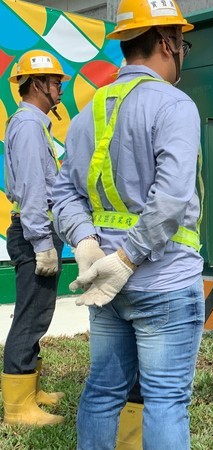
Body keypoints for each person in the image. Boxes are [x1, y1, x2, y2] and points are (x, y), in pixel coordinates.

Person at [51, 0, 203, 448]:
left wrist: (86, 245)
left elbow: (64, 192)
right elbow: (172, 197)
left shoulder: (87, 114)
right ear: (166, 42)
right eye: (182, 43)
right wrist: (127, 258)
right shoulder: (175, 106)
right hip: (165, 281)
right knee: (165, 400)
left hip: (106, 285)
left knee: (101, 392)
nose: (182, 53)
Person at [1, 49, 70, 426]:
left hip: (35, 233)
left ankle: (30, 387)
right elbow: (31, 190)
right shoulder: (29, 126)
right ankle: (17, 409)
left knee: (37, 313)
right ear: (38, 84)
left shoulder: (33, 122)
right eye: (56, 80)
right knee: (31, 316)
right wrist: (42, 243)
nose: (61, 86)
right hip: (33, 236)